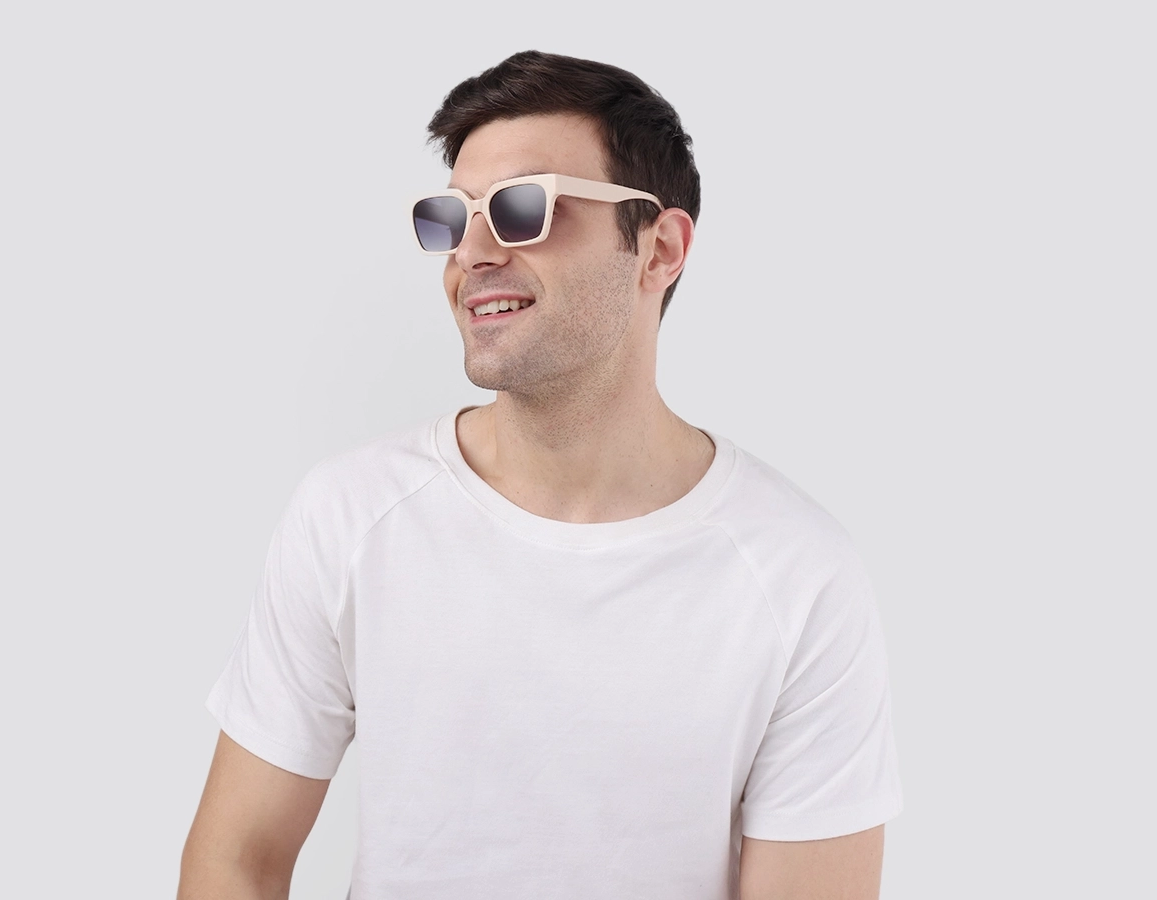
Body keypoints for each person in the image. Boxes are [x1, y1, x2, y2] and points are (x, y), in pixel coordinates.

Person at [177, 50, 902, 900]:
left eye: (525, 208)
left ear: (659, 249)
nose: (471, 252)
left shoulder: (798, 575)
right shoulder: (349, 517)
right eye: (452, 218)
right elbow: (237, 860)